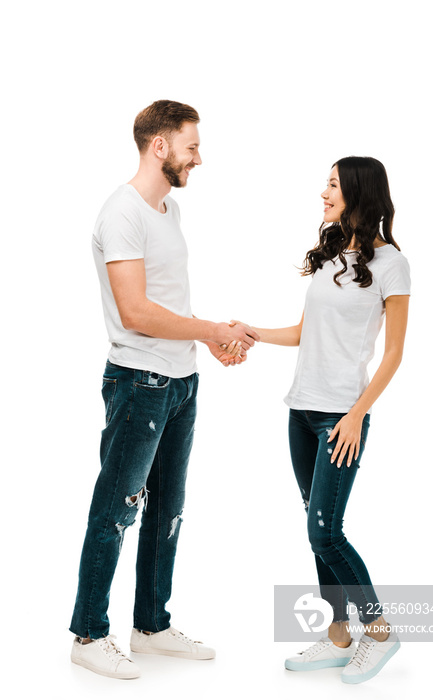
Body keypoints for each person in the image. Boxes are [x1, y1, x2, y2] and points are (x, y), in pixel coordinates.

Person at [70, 99, 258, 680]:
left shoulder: (168, 210)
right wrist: (210, 330)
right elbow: (135, 313)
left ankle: (150, 624)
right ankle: (88, 633)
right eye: (191, 146)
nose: (198, 157)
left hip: (180, 383)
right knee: (116, 509)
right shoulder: (121, 212)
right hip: (139, 382)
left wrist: (209, 342)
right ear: (160, 146)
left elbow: (168, 303)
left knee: (167, 512)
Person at [230, 156, 410, 684]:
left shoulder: (392, 264)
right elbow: (306, 331)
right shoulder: (333, 257)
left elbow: (394, 353)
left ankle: (378, 630)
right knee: (317, 529)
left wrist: (356, 415)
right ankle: (337, 635)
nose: (323, 192)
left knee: (326, 531)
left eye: (332, 184)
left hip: (340, 416)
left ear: (358, 190)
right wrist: (253, 332)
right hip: (301, 409)